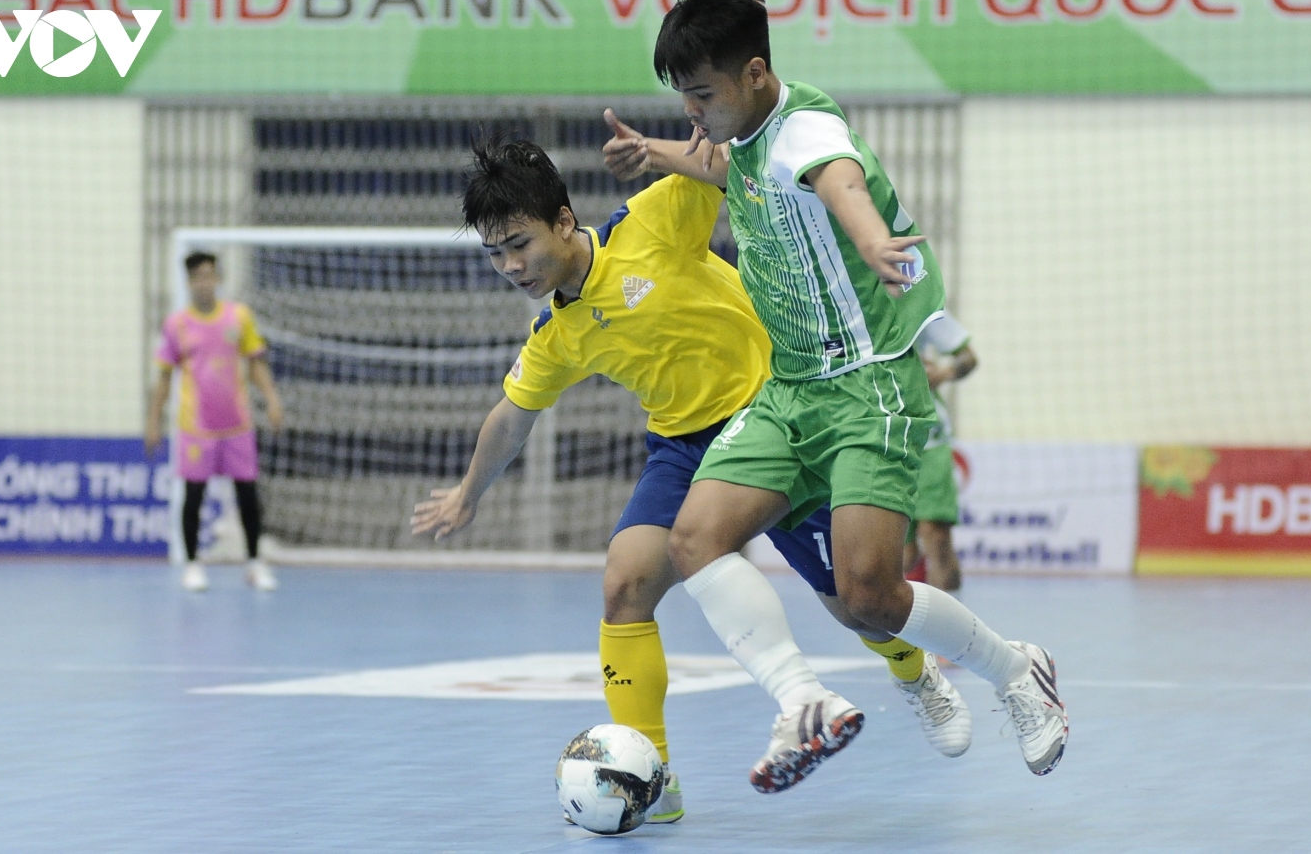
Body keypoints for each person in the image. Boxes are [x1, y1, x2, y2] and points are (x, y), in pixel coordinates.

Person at [602, 0, 1067, 792]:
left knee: (871, 598)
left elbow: (838, 181)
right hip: (789, 390)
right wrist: (658, 153)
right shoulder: (740, 139)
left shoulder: (805, 127)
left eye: (702, 95)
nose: (692, 112)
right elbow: (725, 171)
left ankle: (1012, 668)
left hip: (869, 387)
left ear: (755, 74)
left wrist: (873, 239)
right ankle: (802, 700)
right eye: (684, 98)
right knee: (695, 537)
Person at [411, 137, 970, 822]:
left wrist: (663, 148)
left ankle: (919, 677)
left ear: (563, 220)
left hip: (778, 419)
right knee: (624, 581)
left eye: (519, 243)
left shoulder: (651, 222)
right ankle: (650, 777)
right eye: (495, 254)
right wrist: (469, 494)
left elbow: (726, 164)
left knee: (856, 602)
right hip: (684, 444)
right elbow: (511, 418)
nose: (510, 265)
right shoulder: (558, 332)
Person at [147, 252, 284, 593]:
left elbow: (256, 363)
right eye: (198, 277)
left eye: (210, 275)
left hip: (237, 423)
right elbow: (164, 377)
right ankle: (193, 565)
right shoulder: (177, 325)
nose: (205, 282)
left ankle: (254, 563)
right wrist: (153, 419)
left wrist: (271, 399)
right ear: (189, 282)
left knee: (248, 495)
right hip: (197, 427)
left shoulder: (238, 317)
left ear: (219, 279)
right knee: (194, 496)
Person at [904, 315, 979, 592]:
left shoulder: (920, 302)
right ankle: (893, 628)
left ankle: (952, 628)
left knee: (935, 537)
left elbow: (968, 358)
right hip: (878, 435)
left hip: (928, 439)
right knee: (899, 551)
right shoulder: (847, 303)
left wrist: (941, 373)